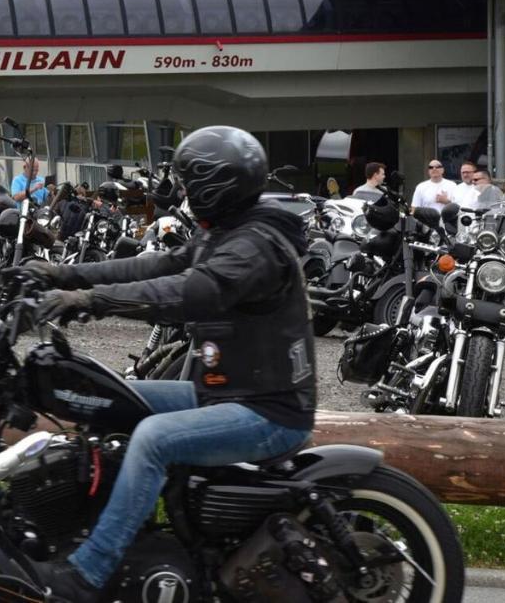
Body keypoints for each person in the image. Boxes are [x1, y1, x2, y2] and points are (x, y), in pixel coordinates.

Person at [21, 126, 315, 601]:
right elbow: (155, 266)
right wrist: (65, 273)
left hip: (269, 411)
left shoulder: (253, 247)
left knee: (154, 439)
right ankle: (114, 532)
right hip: (224, 391)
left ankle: (88, 574)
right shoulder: (231, 232)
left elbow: (186, 292)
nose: (179, 192)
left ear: (213, 187)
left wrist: (90, 300)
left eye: (187, 183)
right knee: (105, 396)